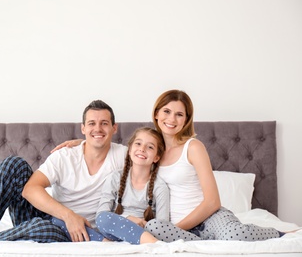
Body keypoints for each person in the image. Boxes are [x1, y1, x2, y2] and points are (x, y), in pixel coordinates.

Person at [52, 90, 285, 242]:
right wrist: (83, 142)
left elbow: (212, 201)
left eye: (179, 115)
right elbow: (119, 145)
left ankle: (280, 233)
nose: (171, 119)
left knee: (236, 235)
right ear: (156, 113)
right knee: (153, 227)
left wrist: (177, 230)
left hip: (205, 218)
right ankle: (204, 243)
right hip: (170, 229)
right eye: (166, 111)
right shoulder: (152, 149)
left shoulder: (193, 147)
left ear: (186, 119)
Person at [0, 100, 127, 243]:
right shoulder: (65, 156)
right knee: (13, 164)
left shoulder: (125, 156)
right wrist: (69, 215)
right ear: (83, 128)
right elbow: (29, 190)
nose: (97, 129)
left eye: (104, 124)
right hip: (54, 217)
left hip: (72, 231)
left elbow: (156, 154)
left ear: (114, 128)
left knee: (41, 229)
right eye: (91, 124)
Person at [52, 127, 171, 244]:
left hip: (143, 232)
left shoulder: (159, 186)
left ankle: (152, 243)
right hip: (113, 231)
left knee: (156, 227)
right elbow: (101, 214)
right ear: (129, 150)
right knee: (59, 220)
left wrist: (142, 223)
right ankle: (105, 242)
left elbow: (162, 225)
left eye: (150, 147)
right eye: (138, 144)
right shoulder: (115, 178)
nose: (142, 149)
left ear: (156, 157)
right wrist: (127, 218)